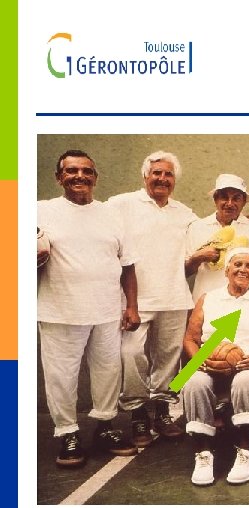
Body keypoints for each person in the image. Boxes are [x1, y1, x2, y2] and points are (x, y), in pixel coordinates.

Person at [38, 150, 140, 467]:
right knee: (61, 377)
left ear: (95, 177)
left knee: (108, 371)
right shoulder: (40, 212)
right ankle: (68, 433)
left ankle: (106, 427)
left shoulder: (111, 214)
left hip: (107, 310)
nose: (79, 176)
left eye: (86, 171)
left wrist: (132, 306)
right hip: (60, 311)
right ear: (59, 177)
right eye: (71, 171)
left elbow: (128, 265)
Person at [106, 151, 197, 447]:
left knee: (169, 358)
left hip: (175, 297)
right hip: (134, 300)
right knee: (131, 354)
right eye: (156, 173)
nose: (162, 178)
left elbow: (211, 228)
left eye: (168, 174)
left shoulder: (184, 213)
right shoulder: (121, 204)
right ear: (145, 176)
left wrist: (247, 221)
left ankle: (162, 410)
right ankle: (137, 414)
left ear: (175, 180)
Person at [182, 247, 249, 486]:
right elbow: (190, 339)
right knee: (193, 381)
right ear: (226, 270)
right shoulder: (208, 298)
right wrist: (199, 360)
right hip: (211, 364)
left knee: (245, 380)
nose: (243, 270)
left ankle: (246, 450)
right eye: (237, 265)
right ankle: (203, 453)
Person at [185, 173, 249, 303]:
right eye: (224, 197)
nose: (230, 203)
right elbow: (185, 271)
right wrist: (198, 258)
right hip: (206, 302)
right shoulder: (197, 227)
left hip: (244, 303)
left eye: (236, 198)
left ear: (244, 202)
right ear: (215, 199)